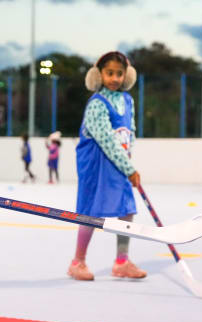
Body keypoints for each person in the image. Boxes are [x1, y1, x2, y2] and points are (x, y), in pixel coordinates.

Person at [67, 51, 147, 281]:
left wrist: (127, 162)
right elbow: (107, 140)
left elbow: (129, 133)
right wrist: (129, 168)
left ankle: (122, 261)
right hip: (96, 163)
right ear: (99, 74)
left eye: (119, 74)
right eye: (109, 73)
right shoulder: (96, 103)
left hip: (119, 164)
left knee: (126, 208)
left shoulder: (127, 100)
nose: (115, 78)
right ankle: (77, 262)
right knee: (90, 212)